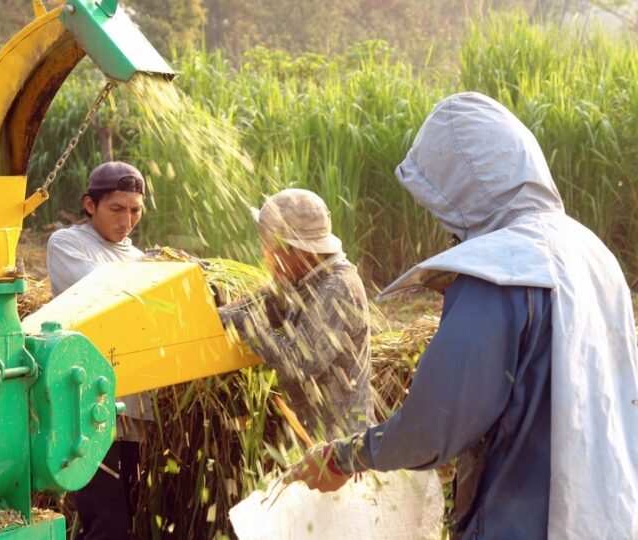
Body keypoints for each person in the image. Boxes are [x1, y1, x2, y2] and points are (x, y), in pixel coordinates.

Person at [289, 92, 638, 539]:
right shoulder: (591, 252)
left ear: (464, 185)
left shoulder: (502, 272)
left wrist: (345, 457)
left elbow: (435, 425)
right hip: (608, 510)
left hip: (526, 520)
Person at [47, 160, 153, 540]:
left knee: (133, 516)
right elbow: (100, 294)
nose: (127, 220)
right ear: (90, 205)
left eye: (135, 210)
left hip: (135, 409)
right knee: (106, 523)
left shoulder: (140, 258)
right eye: (117, 209)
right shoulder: (68, 244)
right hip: (87, 408)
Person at [219, 188, 375, 441]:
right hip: (310, 438)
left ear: (297, 250)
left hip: (344, 445)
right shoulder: (297, 279)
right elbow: (249, 307)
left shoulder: (338, 287)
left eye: (269, 246)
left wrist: (242, 323)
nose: (264, 255)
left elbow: (299, 363)